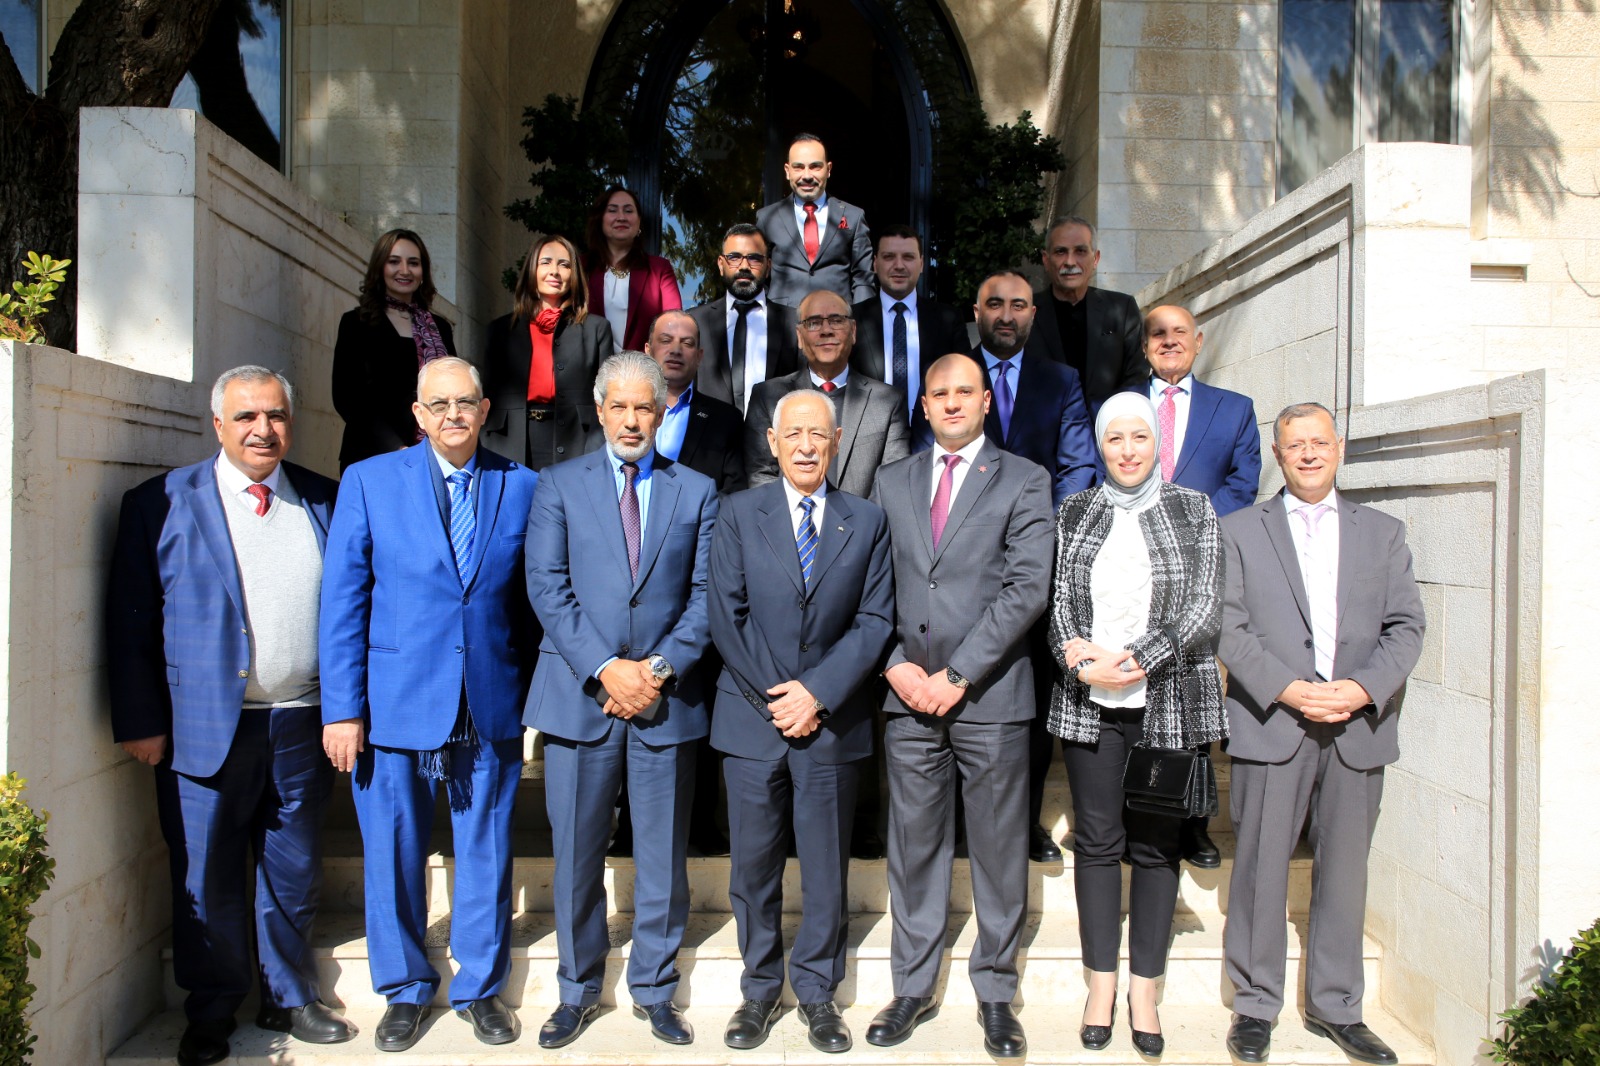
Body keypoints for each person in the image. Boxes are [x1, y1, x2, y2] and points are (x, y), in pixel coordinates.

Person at [108, 366, 353, 1066]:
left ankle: (288, 996)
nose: (262, 430)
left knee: (293, 871)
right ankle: (212, 1008)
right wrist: (140, 720)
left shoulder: (325, 499)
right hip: (202, 728)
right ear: (217, 424)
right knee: (205, 873)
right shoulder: (160, 501)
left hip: (301, 722)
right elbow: (130, 619)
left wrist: (347, 707)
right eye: (246, 417)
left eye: (275, 416)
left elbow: (351, 609)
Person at [320, 357, 539, 1052]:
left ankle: (480, 988)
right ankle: (406, 989)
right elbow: (343, 601)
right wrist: (342, 708)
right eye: (438, 404)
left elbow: (531, 603)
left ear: (485, 410)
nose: (453, 415)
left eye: (465, 402)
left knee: (487, 849)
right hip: (394, 702)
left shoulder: (522, 484)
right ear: (417, 414)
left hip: (488, 700)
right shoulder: (369, 481)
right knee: (393, 850)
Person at [522, 352, 720, 1050]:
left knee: (662, 856)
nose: (632, 420)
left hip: (665, 703)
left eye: (645, 407)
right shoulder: (557, 485)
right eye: (620, 407)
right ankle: (576, 989)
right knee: (577, 854)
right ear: (600, 410)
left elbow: (707, 596)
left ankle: (655, 990)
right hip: (582, 700)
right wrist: (609, 670)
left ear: (661, 413)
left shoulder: (697, 490)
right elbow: (546, 586)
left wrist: (654, 671)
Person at [1219, 402, 1424, 1066]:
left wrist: (1363, 689)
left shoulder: (1383, 533)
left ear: (1339, 448)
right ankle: (1255, 1004)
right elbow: (1228, 625)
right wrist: (1286, 687)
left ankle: (1337, 1007)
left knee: (1344, 869)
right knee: (1259, 867)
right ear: (1278, 455)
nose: (1308, 453)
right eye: (1294, 445)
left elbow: (1406, 627)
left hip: (1356, 724)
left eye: (1319, 442)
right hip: (1273, 719)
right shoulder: (1239, 530)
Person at [866, 353, 1053, 1058]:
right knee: (914, 847)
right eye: (938, 393)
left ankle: (997, 991)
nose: (951, 403)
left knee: (1000, 849)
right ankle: (911, 987)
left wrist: (959, 674)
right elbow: (869, 586)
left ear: (985, 402)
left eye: (964, 392)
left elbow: (1027, 588)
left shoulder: (1025, 479)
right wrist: (895, 667)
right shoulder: (891, 481)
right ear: (923, 405)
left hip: (991, 695)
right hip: (908, 697)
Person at [708, 389, 895, 1054]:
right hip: (751, 720)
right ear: (773, 442)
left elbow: (875, 620)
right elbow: (726, 616)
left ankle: (817, 991)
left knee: (825, 868)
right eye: (794, 435)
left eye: (819, 435)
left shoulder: (867, 521)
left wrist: (815, 694)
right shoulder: (737, 514)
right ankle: (759, 989)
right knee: (752, 870)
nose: (807, 446)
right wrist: (780, 697)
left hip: (831, 724)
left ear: (838, 442)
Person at [1049, 391, 1228, 1058]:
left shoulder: (1193, 509)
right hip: (1091, 702)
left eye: (1139, 437)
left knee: (1156, 847)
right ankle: (1101, 985)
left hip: (1166, 700)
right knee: (1097, 842)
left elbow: (1205, 604)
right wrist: (1079, 657)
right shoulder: (1075, 511)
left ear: (1157, 443)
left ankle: (1144, 990)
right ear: (1100, 446)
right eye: (1114, 438)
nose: (1127, 450)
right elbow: (1058, 600)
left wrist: (1140, 658)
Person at [935, 271, 1096, 862]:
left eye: (1019, 305)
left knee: (1029, 698)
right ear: (976, 311)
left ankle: (1023, 823)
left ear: (1034, 313)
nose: (1006, 315)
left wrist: (1037, 536)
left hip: (1033, 566)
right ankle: (953, 824)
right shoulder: (951, 379)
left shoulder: (1062, 381)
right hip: (954, 567)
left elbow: (1077, 468)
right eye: (995, 304)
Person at [1140, 303, 1263, 868]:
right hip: (1132, 567)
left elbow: (1242, 482)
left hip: (1200, 570)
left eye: (1179, 333)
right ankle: (1138, 817)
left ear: (1199, 340)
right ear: (1145, 345)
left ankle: (1193, 824)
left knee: (1193, 699)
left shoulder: (1234, 409)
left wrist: (1190, 531)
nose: (1169, 342)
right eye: (1158, 334)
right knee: (1135, 700)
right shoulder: (1117, 405)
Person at [745, 289, 910, 498]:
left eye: (836, 320)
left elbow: (892, 481)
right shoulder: (767, 397)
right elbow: (761, 476)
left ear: (853, 331)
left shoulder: (888, 402)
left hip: (863, 518)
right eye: (814, 323)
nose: (826, 330)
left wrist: (859, 519)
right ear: (799, 336)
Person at [482, 233, 614, 470]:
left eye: (564, 265)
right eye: (545, 262)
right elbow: (487, 397)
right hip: (509, 444)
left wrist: (596, 447)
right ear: (531, 270)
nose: (554, 271)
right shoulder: (500, 330)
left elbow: (607, 396)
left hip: (577, 445)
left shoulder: (597, 329)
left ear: (574, 274)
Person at [332, 228, 456, 469]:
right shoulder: (356, 323)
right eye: (394, 262)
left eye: (413, 263)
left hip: (433, 456)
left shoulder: (439, 327)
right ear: (380, 267)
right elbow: (347, 398)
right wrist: (397, 449)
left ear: (423, 271)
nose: (405, 270)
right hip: (372, 455)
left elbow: (455, 387)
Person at [1025, 216, 1146, 414]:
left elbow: (1136, 375)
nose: (1070, 262)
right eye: (1061, 252)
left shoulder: (1122, 308)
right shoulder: (1025, 312)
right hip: (1042, 428)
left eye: (1080, 251)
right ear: (1046, 260)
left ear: (1095, 258)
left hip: (1108, 426)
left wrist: (1110, 422)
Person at [847, 225, 969, 418]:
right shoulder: (852, 319)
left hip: (932, 431)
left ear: (921, 264)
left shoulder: (949, 319)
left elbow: (965, 381)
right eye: (889, 257)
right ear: (875, 264)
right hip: (870, 431)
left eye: (908, 257)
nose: (899, 265)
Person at [687, 223, 801, 414]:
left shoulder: (793, 322)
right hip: (711, 430)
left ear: (768, 267)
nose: (744, 266)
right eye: (734, 257)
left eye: (754, 258)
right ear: (721, 265)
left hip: (773, 430)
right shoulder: (695, 321)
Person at [755, 134, 875, 307]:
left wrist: (860, 318)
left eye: (815, 167)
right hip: (782, 319)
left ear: (828, 169)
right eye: (798, 167)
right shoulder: (767, 218)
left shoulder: (853, 216)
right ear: (787, 171)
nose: (807, 176)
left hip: (836, 319)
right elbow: (758, 276)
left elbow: (863, 279)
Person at [646, 309, 746, 494]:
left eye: (687, 343)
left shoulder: (726, 420)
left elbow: (734, 493)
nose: (676, 350)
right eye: (666, 340)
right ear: (648, 350)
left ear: (699, 356)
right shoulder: (620, 411)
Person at [585, 185, 683, 352]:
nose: (621, 217)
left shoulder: (659, 269)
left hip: (644, 367)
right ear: (600, 220)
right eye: (612, 210)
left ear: (639, 223)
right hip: (592, 367)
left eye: (629, 211)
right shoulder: (581, 267)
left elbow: (674, 325)